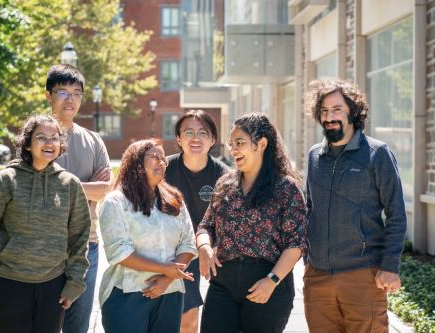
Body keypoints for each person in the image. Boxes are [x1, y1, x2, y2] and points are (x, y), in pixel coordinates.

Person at [0, 115, 91, 333]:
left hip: (53, 285)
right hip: (7, 283)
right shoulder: (4, 181)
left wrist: (74, 283)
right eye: (41, 137)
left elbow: (79, 238)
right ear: (26, 142)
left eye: (55, 138)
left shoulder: (70, 185)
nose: (49, 143)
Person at [304, 79, 407, 333]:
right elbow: (309, 209)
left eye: (337, 109)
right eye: (324, 111)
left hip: (363, 275)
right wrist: (308, 258)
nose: (330, 117)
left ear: (353, 112)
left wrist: (389, 266)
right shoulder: (315, 155)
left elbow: (396, 213)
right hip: (317, 276)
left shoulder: (376, 153)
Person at [196, 112, 307, 333]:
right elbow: (206, 225)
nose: (233, 149)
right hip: (223, 283)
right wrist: (204, 247)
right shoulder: (225, 183)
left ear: (262, 144)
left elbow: (296, 244)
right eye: (231, 143)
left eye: (240, 143)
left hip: (267, 282)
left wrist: (272, 280)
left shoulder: (286, 188)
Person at [98, 139, 198, 333]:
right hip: (127, 293)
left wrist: (167, 279)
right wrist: (165, 269)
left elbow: (188, 243)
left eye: (163, 159)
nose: (161, 162)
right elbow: (119, 252)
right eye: (154, 157)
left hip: (170, 293)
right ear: (136, 161)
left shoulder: (175, 199)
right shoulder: (116, 202)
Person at [45, 64, 112, 333]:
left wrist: (60, 183)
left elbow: (105, 189)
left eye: (76, 93)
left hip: (87, 246)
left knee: (78, 325)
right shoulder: (36, 137)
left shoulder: (93, 140)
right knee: (46, 322)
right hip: (42, 246)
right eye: (63, 92)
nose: (70, 99)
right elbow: (34, 189)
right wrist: (87, 187)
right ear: (49, 95)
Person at [165, 109, 230, 333]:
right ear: (178, 139)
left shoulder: (225, 176)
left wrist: (211, 247)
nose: (195, 138)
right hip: (170, 251)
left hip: (209, 251)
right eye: (189, 132)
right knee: (170, 319)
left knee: (189, 320)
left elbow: (230, 221)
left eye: (203, 133)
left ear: (213, 139)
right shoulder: (163, 170)